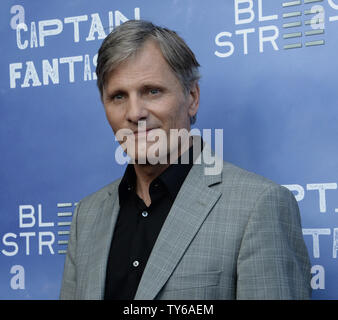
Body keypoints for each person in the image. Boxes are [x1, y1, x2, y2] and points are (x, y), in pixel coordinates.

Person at [60, 20, 312, 300]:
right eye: (118, 96)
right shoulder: (87, 215)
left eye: (152, 91)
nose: (134, 113)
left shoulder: (258, 206)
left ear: (192, 97)